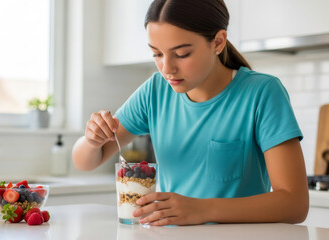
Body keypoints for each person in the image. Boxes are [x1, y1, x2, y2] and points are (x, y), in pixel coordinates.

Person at [72, 0, 309, 226]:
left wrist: (201, 209)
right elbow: (85, 161)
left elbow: (294, 204)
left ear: (218, 42)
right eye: (157, 53)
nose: (167, 68)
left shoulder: (262, 93)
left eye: (182, 54)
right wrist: (92, 140)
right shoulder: (155, 91)